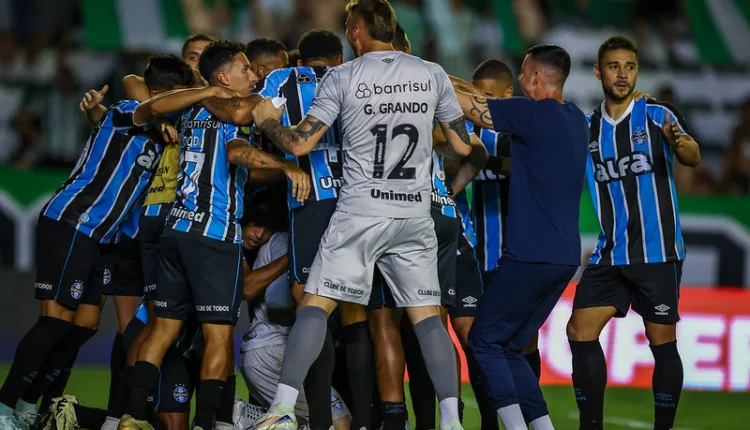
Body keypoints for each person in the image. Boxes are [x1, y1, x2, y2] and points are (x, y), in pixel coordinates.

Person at [249, 1, 474, 429]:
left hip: (360, 213)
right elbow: (463, 147)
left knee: (315, 307)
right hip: (413, 215)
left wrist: (267, 122)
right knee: (428, 322)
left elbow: (299, 145)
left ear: (354, 31)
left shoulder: (343, 76)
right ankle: (451, 420)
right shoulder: (431, 73)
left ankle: (280, 410)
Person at [118, 40, 310, 430]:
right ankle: (206, 423)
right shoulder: (228, 113)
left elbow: (147, 108)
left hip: (176, 231)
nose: (253, 75)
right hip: (214, 236)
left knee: (163, 329)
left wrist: (207, 91)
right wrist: (286, 167)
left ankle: (131, 418)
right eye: (245, 69)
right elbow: (237, 153)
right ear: (224, 77)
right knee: (218, 336)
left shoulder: (191, 106)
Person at [0, 55, 194, 430]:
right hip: (74, 221)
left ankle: (27, 404)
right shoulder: (129, 112)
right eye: (180, 97)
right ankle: (5, 407)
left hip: (101, 238)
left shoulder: (158, 130)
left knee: (84, 326)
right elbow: (135, 85)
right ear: (160, 96)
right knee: (54, 322)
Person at [567, 36, 700, 430]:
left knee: (662, 343)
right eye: (613, 66)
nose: (622, 74)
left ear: (637, 71)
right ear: (598, 72)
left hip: (657, 251)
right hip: (611, 253)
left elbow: (691, 155)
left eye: (629, 67)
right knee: (579, 330)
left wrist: (681, 143)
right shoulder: (589, 129)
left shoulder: (657, 115)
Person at [455, 44, 589, 429]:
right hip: (563, 256)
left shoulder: (533, 114)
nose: (518, 81)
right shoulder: (575, 118)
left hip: (530, 253)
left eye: (524, 72)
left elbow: (471, 107)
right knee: (511, 348)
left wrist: (424, 77)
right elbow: (480, 98)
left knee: (483, 341)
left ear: (536, 77)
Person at [254, 29, 373, 430]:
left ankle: (318, 420)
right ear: (339, 57)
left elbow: (259, 117)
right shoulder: (356, 75)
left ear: (300, 61)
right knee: (357, 311)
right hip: (362, 201)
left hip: (312, 200)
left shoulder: (283, 79)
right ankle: (369, 420)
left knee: (310, 304)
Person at [237, 191, 353, 430]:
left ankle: (255, 415)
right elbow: (280, 300)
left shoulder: (272, 243)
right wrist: (296, 256)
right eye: (255, 224)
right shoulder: (282, 241)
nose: (259, 234)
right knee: (339, 425)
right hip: (273, 351)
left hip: (268, 353)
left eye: (265, 227)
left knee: (324, 422)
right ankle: (245, 419)